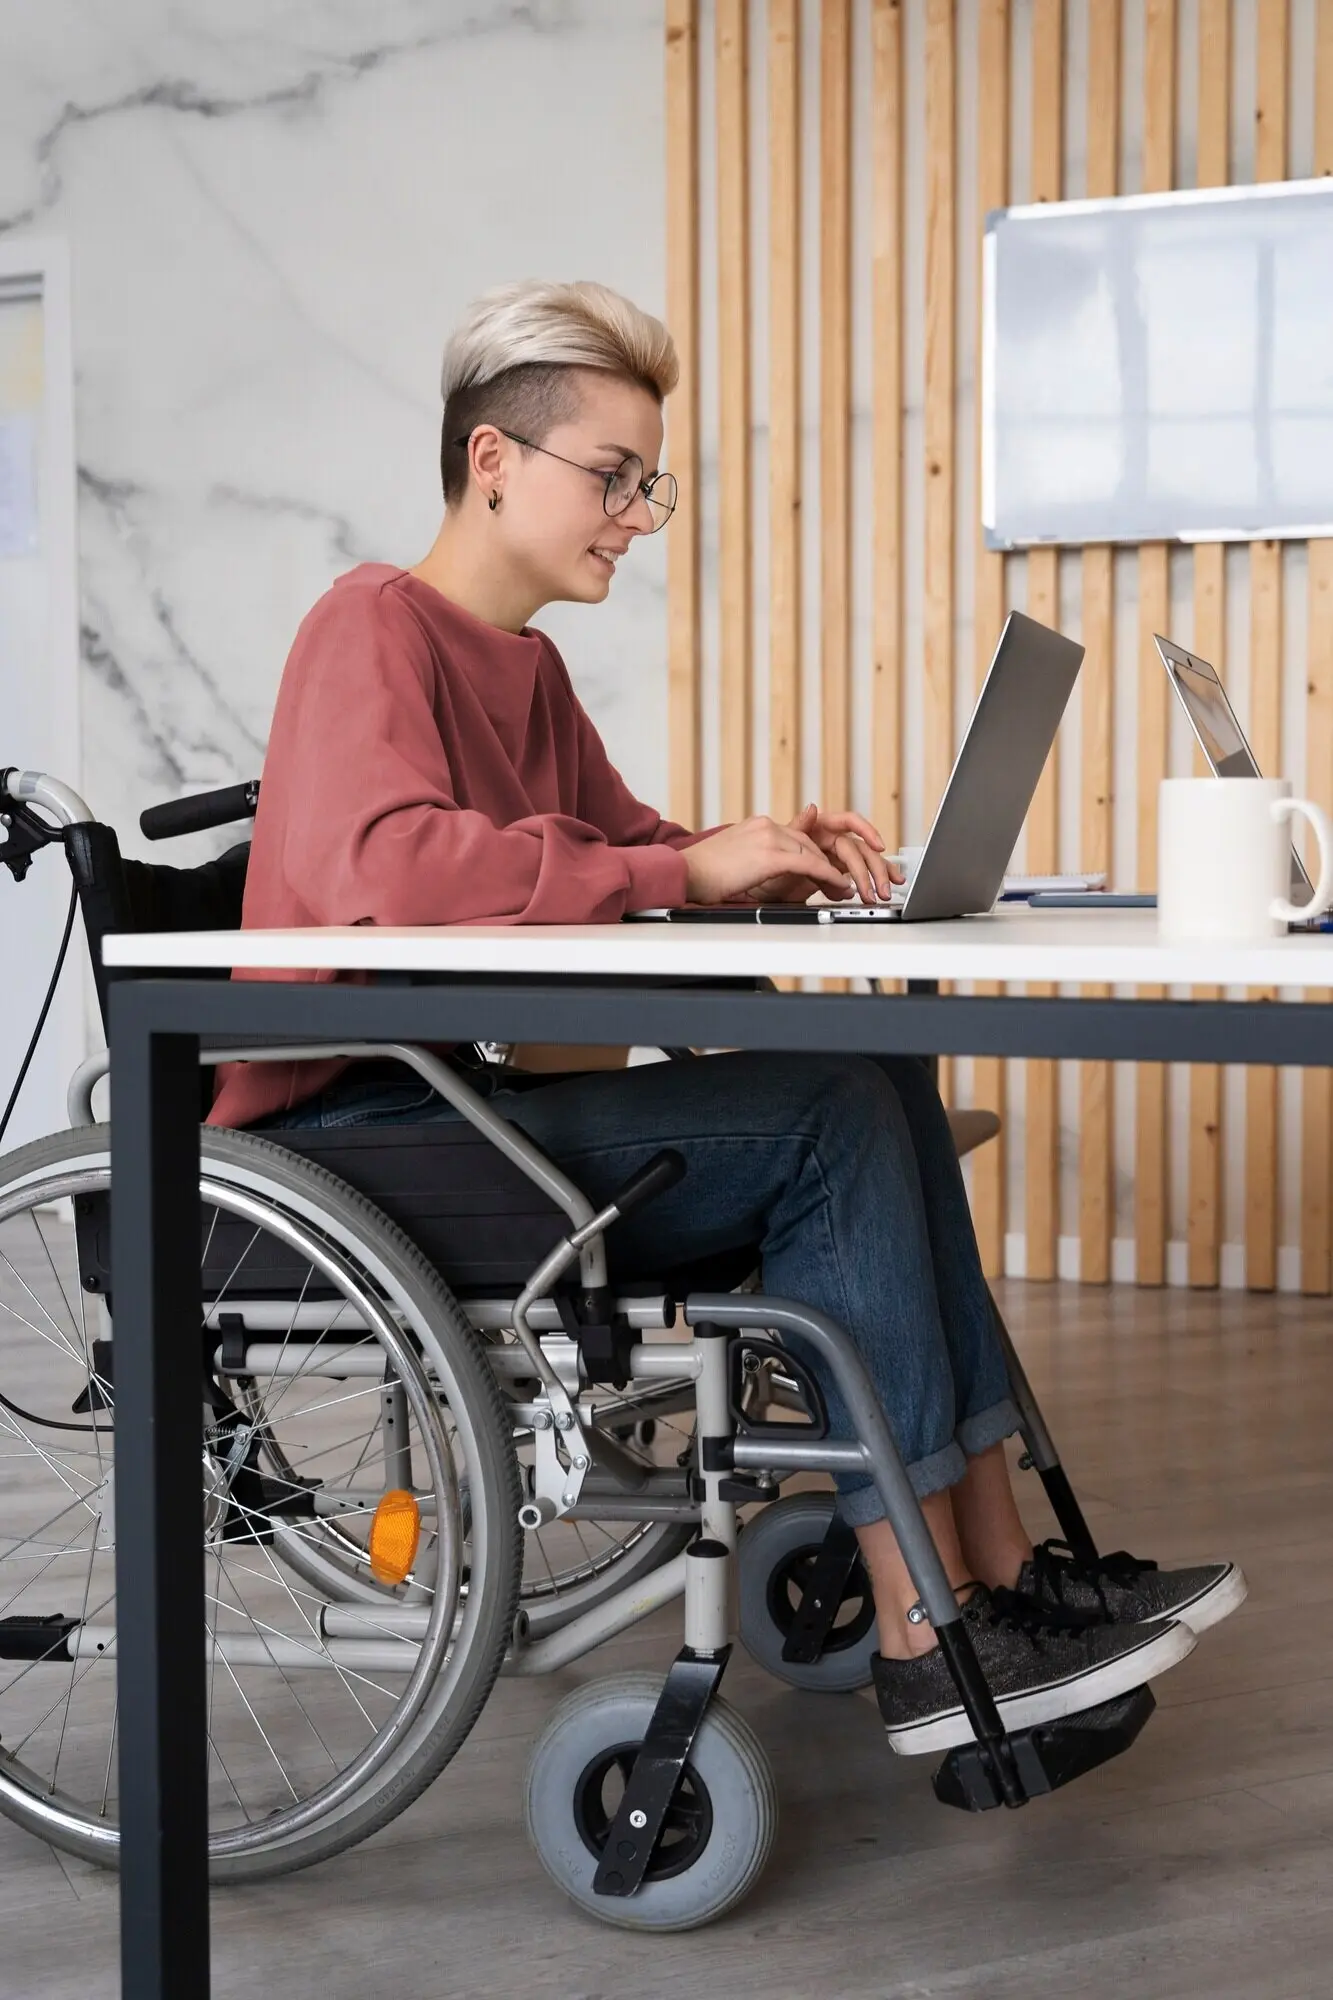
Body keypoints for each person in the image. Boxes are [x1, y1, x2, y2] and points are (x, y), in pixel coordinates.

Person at [207, 279, 1244, 1753]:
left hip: (464, 1109)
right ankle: (923, 1625)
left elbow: (624, 849)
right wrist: (675, 867)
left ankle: (1009, 1576)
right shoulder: (369, 624)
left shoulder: (530, 669)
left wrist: (754, 860)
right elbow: (392, 870)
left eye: (649, 484)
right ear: (493, 460)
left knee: (873, 1079)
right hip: (368, 1132)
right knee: (833, 1116)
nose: (636, 514)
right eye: (612, 479)